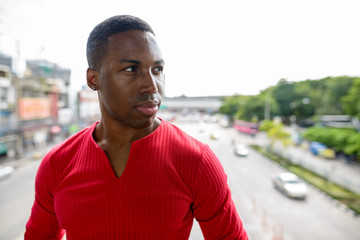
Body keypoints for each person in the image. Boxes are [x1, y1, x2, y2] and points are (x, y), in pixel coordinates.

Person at [25, 15, 248, 239]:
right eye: (131, 69)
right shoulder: (57, 163)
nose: (152, 86)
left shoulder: (196, 161)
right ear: (94, 79)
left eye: (157, 69)